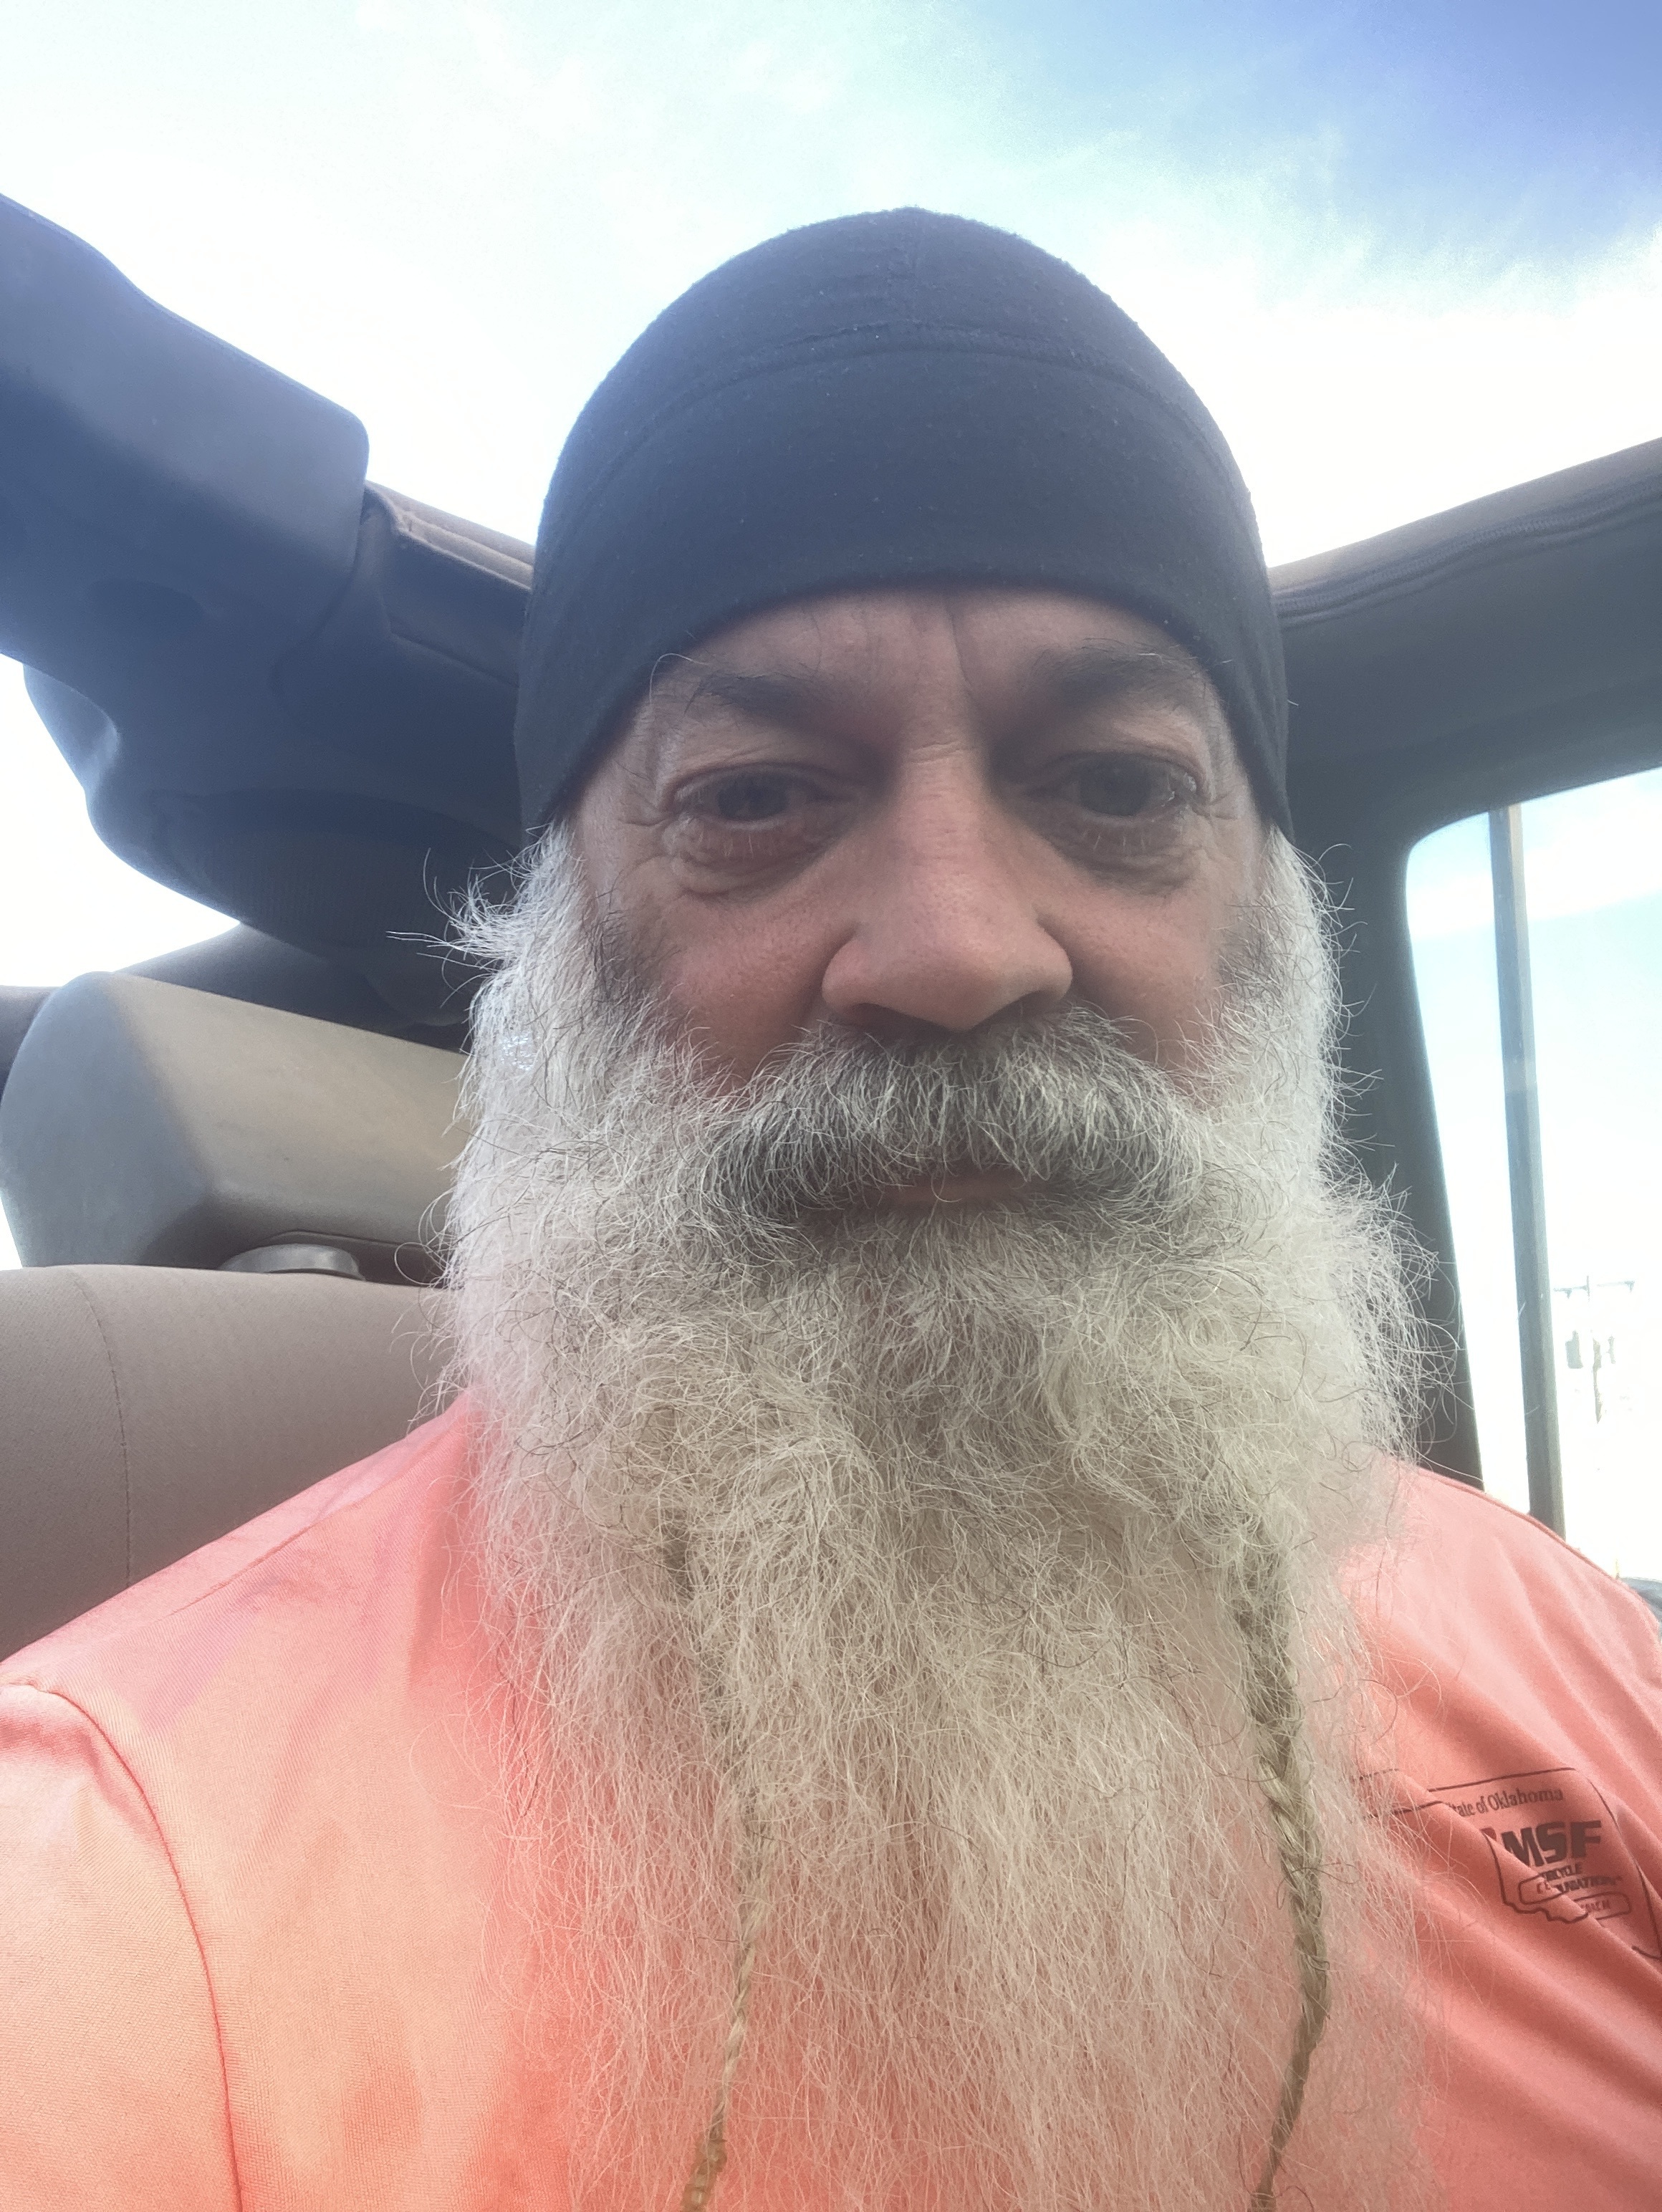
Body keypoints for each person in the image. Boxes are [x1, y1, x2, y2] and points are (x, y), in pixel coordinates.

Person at [3, 208, 1661, 2212]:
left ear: (1271, 930)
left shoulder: (1584, 1664)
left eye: (1118, 786)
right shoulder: (116, 1889)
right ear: (560, 956)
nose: (954, 951)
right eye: (756, 798)